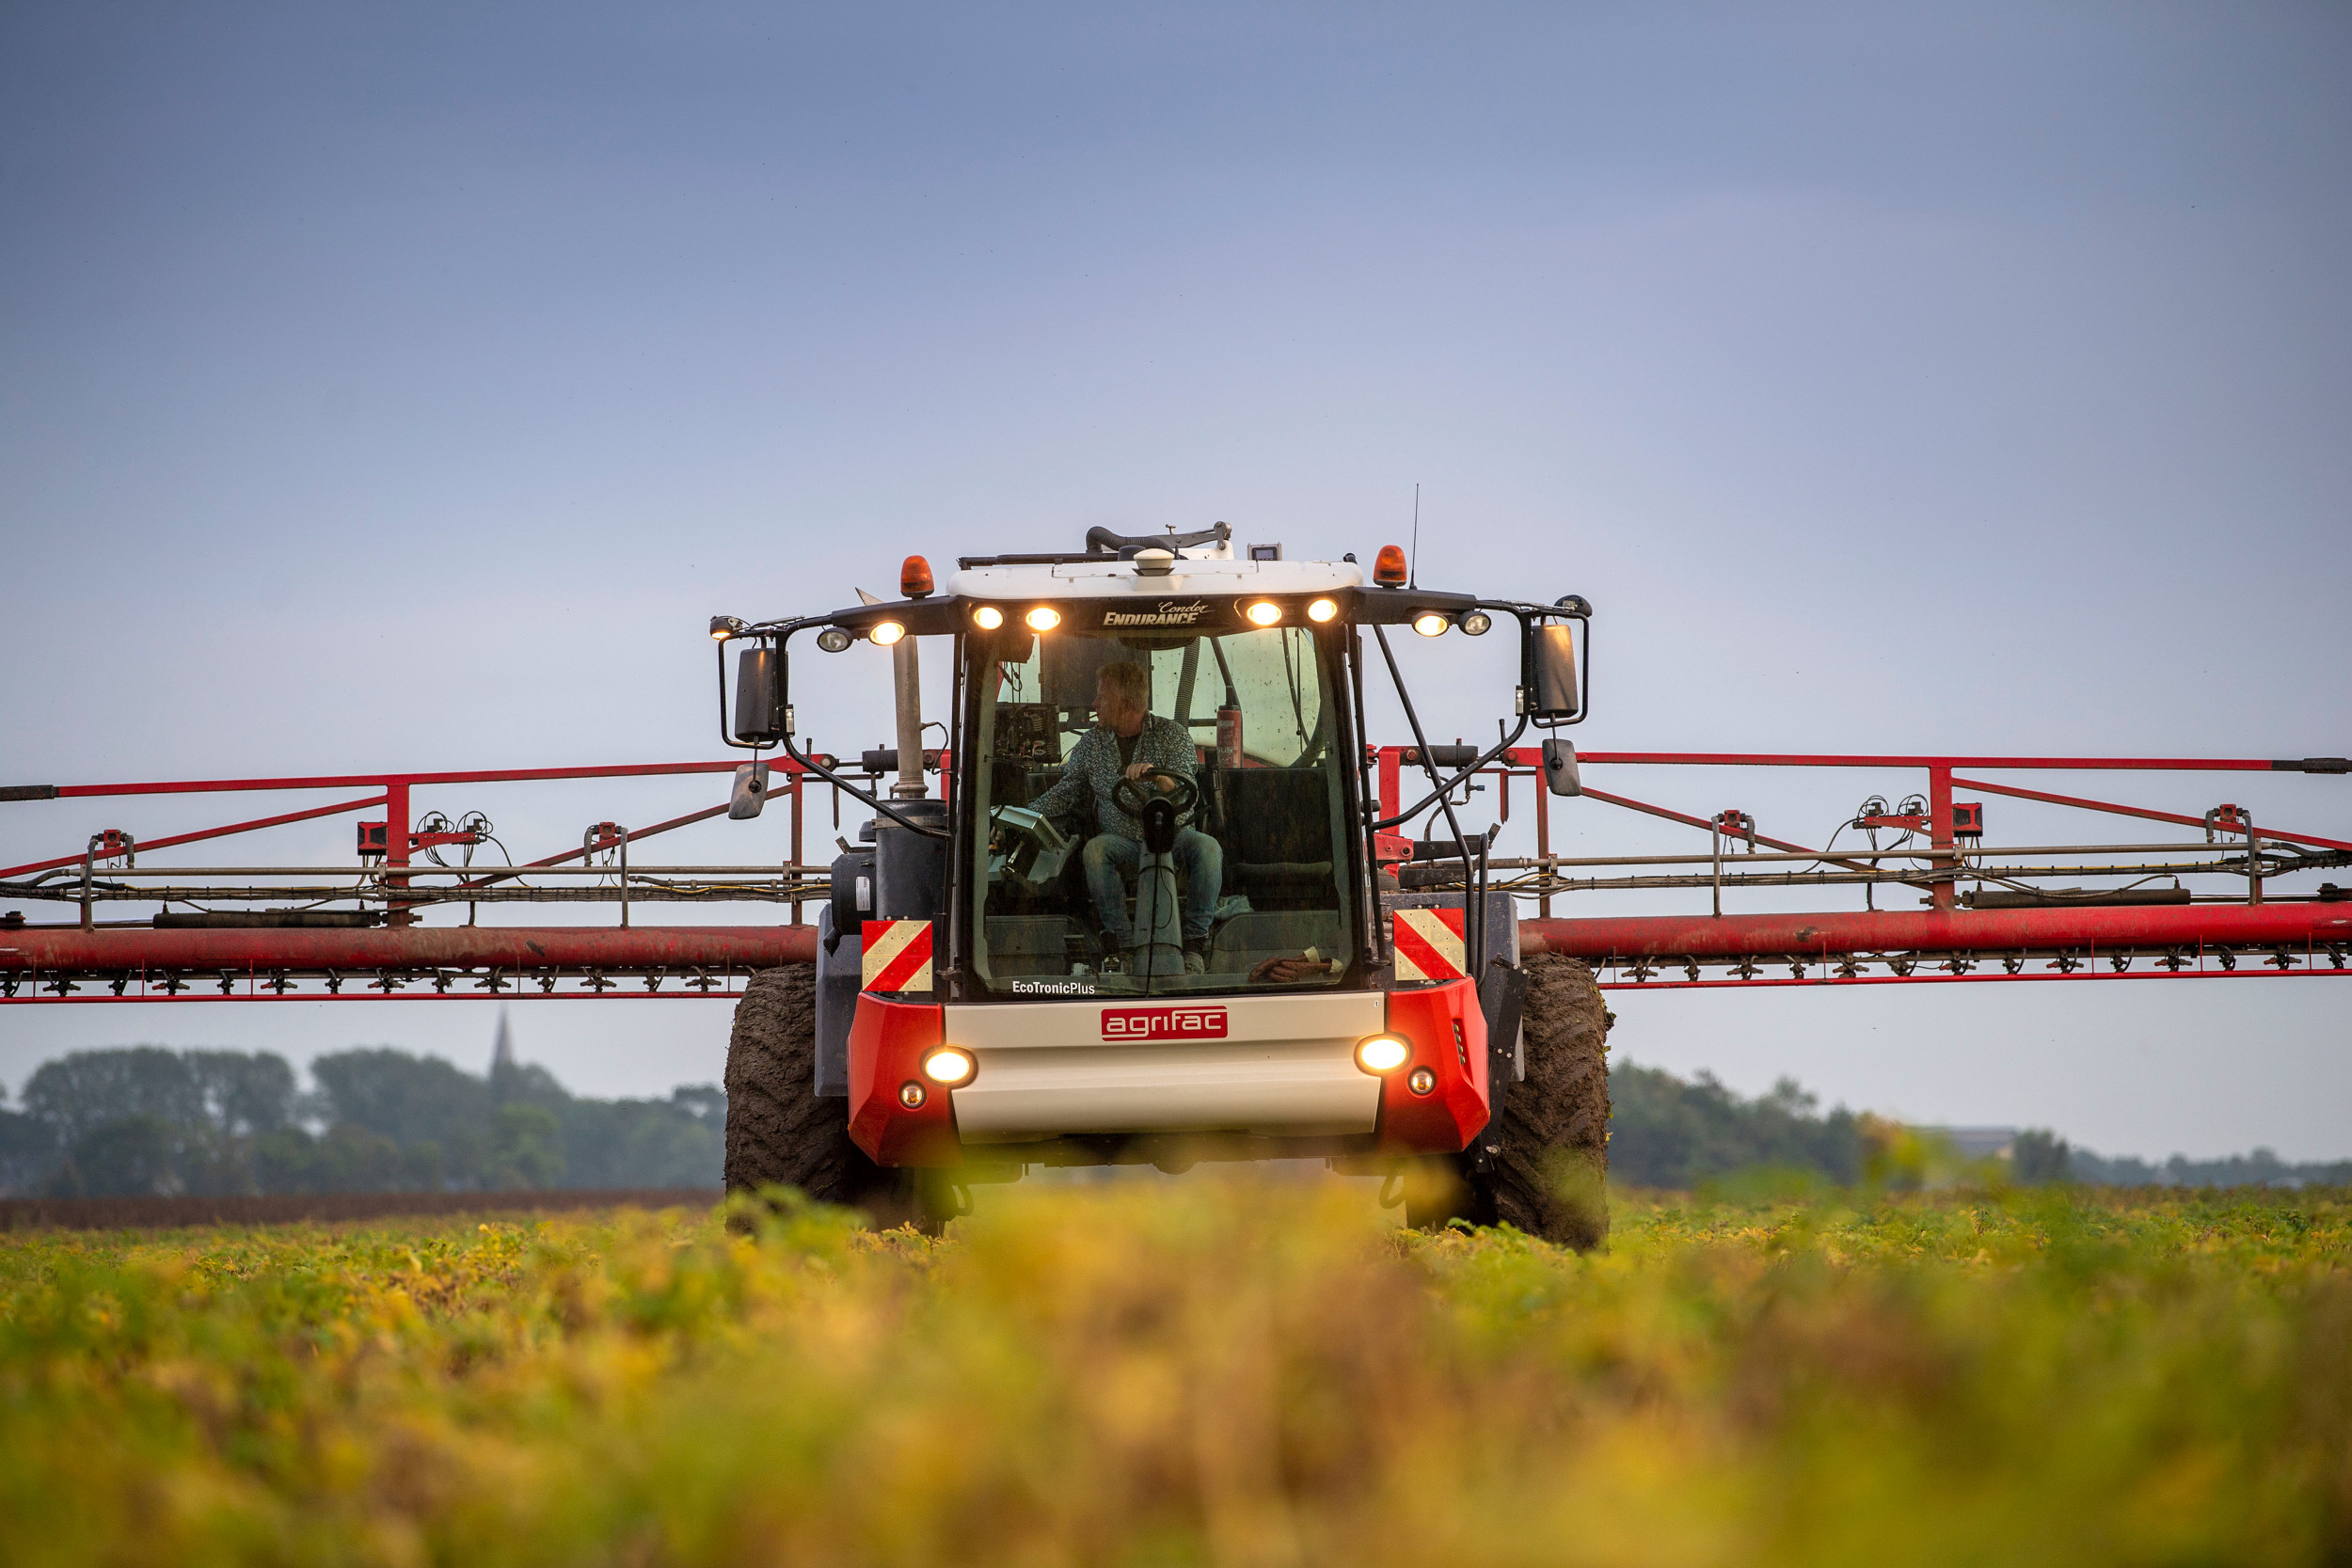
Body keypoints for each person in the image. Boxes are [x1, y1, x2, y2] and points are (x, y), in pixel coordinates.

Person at [1028, 660, 1223, 972]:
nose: (1094, 704)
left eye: (1102, 698)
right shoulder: (1092, 743)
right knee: (1095, 851)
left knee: (1209, 849)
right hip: (1121, 841)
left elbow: (1187, 795)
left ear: (1127, 705)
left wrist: (1156, 779)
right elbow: (1066, 792)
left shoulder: (1172, 735)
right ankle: (1123, 946)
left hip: (1172, 837)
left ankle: (1195, 945)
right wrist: (1024, 813)